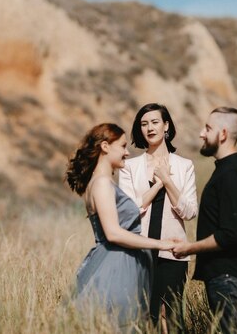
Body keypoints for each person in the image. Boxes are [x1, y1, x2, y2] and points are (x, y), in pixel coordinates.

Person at [65, 123, 177, 331]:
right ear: (105, 146)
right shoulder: (101, 184)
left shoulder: (103, 183)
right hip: (115, 265)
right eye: (123, 146)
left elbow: (134, 208)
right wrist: (161, 244)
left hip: (118, 262)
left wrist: (160, 184)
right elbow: (114, 233)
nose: (127, 152)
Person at [173, 107, 237, 333]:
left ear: (222, 134)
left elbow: (230, 235)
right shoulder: (226, 170)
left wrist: (188, 248)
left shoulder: (233, 173)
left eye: (208, 128)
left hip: (229, 278)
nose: (201, 133)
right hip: (224, 278)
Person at [118, 103, 198, 332]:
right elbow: (128, 209)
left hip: (173, 251)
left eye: (154, 122)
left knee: (171, 316)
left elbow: (190, 211)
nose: (149, 128)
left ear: (166, 126)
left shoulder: (184, 166)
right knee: (144, 316)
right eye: (144, 124)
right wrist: (158, 185)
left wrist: (168, 180)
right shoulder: (129, 167)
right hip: (139, 252)